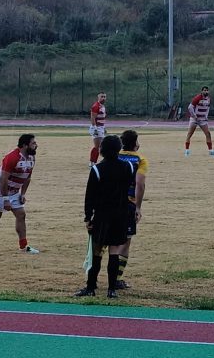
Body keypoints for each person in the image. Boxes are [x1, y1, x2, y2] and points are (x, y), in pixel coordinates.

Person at [75, 135, 134, 299]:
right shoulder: (128, 167)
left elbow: (90, 196)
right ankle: (111, 290)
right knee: (114, 251)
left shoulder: (97, 169)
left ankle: (91, 287)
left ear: (102, 150)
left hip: (102, 215)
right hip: (121, 214)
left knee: (97, 252)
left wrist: (88, 217)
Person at [0, 134, 40, 254]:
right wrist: (5, 199)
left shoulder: (31, 158)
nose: (36, 145)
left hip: (14, 191)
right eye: (33, 143)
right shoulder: (12, 157)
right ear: (25, 145)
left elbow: (27, 178)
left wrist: (23, 194)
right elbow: (3, 179)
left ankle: (24, 246)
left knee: (21, 214)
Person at [115, 129, 148, 290]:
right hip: (127, 204)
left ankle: (93, 277)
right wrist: (138, 207)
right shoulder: (140, 159)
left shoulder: (114, 155)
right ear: (136, 143)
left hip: (110, 203)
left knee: (105, 242)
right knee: (125, 241)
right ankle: (116, 278)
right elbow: (140, 184)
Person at [184, 86, 214, 156]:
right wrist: (194, 116)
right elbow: (190, 107)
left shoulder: (208, 99)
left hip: (202, 120)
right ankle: (187, 150)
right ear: (202, 91)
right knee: (190, 134)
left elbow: (207, 108)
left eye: (207, 90)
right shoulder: (197, 98)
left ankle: (211, 151)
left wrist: (206, 116)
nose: (206, 91)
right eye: (204, 90)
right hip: (194, 119)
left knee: (208, 134)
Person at [89, 92, 107, 167]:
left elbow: (102, 118)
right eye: (102, 97)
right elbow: (93, 118)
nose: (103, 98)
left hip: (101, 128)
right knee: (98, 146)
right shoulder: (96, 106)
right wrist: (95, 129)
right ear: (98, 97)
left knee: (101, 146)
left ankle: (95, 161)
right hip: (97, 128)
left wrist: (104, 127)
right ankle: (92, 162)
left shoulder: (102, 106)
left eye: (104, 97)